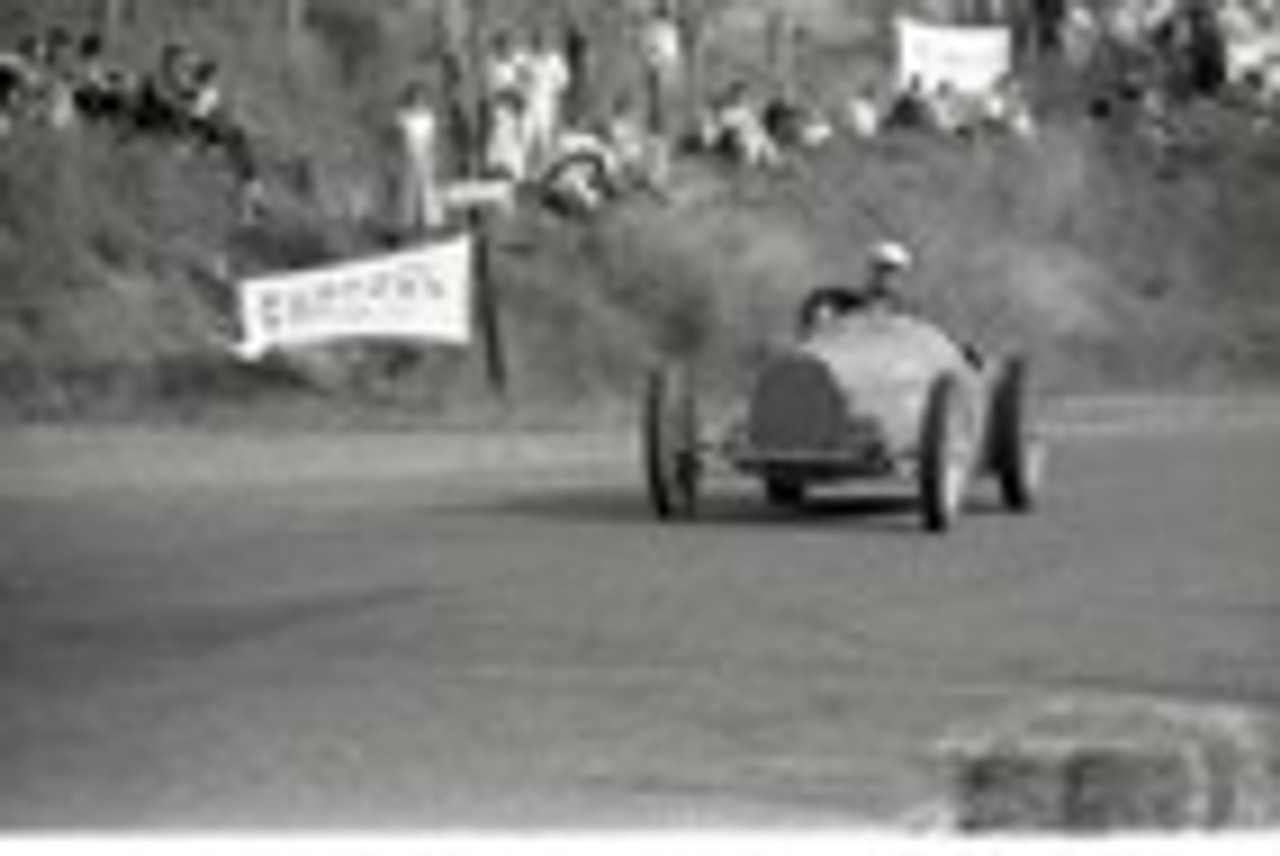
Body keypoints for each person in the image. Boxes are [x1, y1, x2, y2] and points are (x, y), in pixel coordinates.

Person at [798, 242, 915, 334]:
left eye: (893, 271)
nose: (887, 276)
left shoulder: (904, 316)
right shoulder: (836, 301)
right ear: (871, 271)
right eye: (882, 269)